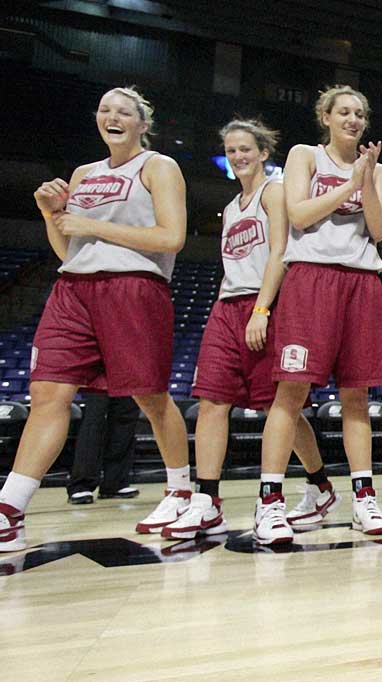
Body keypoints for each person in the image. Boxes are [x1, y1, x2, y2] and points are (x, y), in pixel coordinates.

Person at [1, 87, 191, 553]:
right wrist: (52, 216)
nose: (113, 115)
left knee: (150, 397)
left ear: (143, 124)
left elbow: (172, 237)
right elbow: (70, 247)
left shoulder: (158, 166)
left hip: (134, 286)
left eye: (124, 111)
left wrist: (92, 225)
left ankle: (182, 490)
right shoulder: (83, 173)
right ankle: (11, 506)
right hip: (73, 288)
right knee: (48, 392)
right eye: (105, 109)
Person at [163, 118, 334, 543]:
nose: (238, 156)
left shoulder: (273, 192)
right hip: (228, 306)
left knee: (281, 408)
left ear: (262, 152)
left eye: (245, 149)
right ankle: (207, 502)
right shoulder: (232, 208)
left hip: (268, 303)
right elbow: (231, 266)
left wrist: (262, 308)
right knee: (211, 402)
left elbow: (280, 251)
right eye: (231, 150)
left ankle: (319, 483)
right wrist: (224, 308)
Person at [254, 85, 382, 545]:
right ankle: (269, 501)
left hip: (361, 283)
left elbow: (377, 230)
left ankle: (363, 498)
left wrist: (366, 181)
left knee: (356, 399)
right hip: (310, 279)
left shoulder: (379, 170)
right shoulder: (304, 156)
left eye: (360, 113)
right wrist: (350, 184)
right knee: (289, 395)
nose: (353, 119)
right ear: (327, 118)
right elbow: (298, 214)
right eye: (345, 112)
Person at [66, 392, 140, 504]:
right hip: (100, 377)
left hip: (130, 375)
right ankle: (81, 485)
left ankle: (115, 483)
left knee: (126, 418)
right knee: (95, 419)